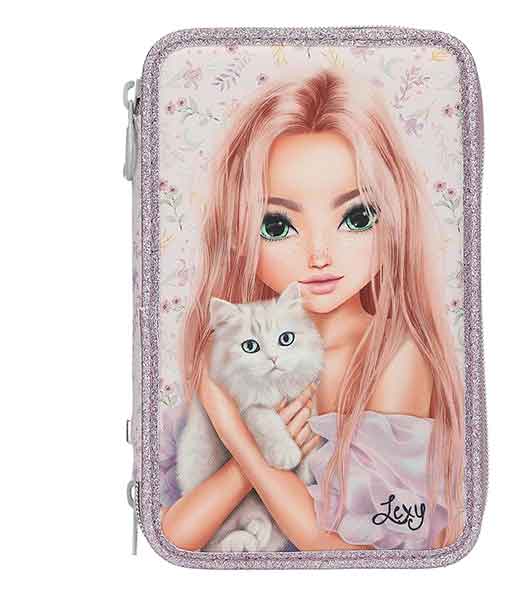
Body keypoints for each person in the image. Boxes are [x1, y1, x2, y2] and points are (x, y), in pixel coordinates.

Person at [159, 67, 464, 552]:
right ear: (237, 234)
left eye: (357, 217)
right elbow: (174, 536)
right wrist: (247, 451)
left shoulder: (392, 354)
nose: (320, 254)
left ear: (396, 219)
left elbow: (359, 555)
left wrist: (243, 439)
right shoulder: (240, 348)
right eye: (277, 226)